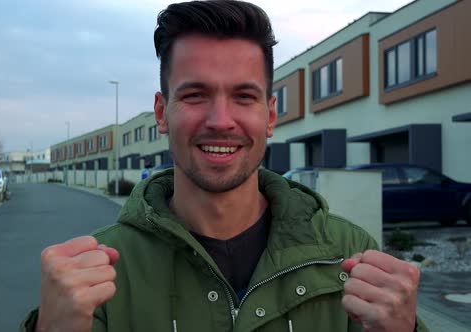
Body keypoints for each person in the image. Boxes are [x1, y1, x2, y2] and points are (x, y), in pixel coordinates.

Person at [22, 1, 427, 331]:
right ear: (162, 113)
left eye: (244, 96)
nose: (220, 120)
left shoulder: (349, 257)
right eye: (196, 94)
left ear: (270, 116)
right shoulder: (102, 277)